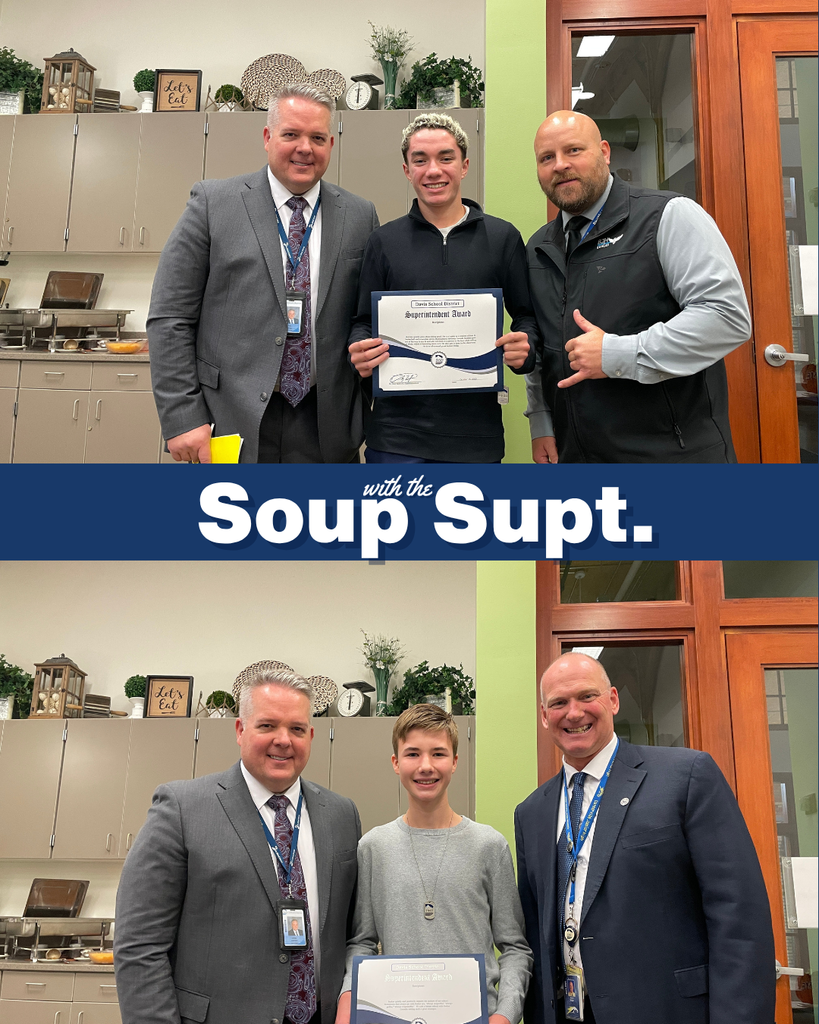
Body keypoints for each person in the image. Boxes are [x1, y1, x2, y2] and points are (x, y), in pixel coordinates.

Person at [515, 652, 775, 1024]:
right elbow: (535, 936)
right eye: (558, 703)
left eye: (587, 696)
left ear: (613, 700)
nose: (573, 713)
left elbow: (738, 919)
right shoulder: (531, 813)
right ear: (544, 716)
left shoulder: (686, 777)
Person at [148, 83, 379, 464]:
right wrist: (181, 417)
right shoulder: (212, 203)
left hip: (327, 424)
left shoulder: (360, 215)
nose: (305, 147)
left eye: (317, 137)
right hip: (230, 419)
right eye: (291, 134)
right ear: (268, 137)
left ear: (331, 145)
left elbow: (366, 317)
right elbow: (170, 317)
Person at [115, 670, 361, 1024]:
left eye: (295, 729)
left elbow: (353, 933)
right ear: (240, 730)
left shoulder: (341, 814)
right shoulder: (182, 808)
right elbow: (139, 947)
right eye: (267, 726)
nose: (283, 740)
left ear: (310, 736)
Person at [525, 110, 751, 464]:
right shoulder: (539, 247)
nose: (560, 165)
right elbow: (541, 346)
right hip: (579, 460)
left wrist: (617, 354)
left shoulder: (669, 216)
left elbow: (726, 317)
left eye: (573, 151)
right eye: (546, 158)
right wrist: (540, 421)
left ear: (604, 152)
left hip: (673, 459)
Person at [348, 113, 539, 463]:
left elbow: (527, 318)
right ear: (407, 171)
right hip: (395, 438)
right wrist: (358, 350)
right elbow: (362, 321)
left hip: (476, 438)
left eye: (445, 158)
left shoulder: (502, 238)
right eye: (420, 160)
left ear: (464, 166)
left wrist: (524, 349)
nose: (433, 170)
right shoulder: (383, 241)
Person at [335, 704, 532, 1024]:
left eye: (438, 754)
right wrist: (348, 1000)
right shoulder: (373, 847)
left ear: (455, 762)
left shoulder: (489, 846)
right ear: (395, 763)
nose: (426, 766)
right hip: (394, 1016)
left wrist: (505, 1015)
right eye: (412, 754)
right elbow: (362, 944)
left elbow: (514, 948)